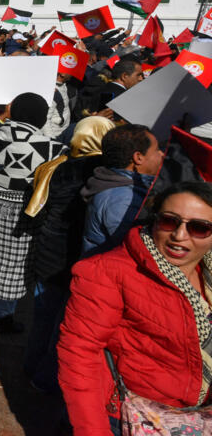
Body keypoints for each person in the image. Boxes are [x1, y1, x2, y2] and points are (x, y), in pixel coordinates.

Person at [59, 182, 212, 435]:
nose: (179, 235)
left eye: (199, 228)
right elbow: (79, 356)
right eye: (169, 221)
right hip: (133, 418)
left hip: (195, 419)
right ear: (154, 220)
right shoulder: (107, 271)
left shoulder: (205, 271)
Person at [23, 116, 116, 392]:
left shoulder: (56, 164)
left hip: (48, 254)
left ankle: (31, 368)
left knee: (42, 319)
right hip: (75, 260)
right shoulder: (101, 176)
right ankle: (48, 378)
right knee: (63, 326)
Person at [0, 93, 66, 333]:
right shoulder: (53, 148)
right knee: (15, 264)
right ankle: (2, 317)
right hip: (23, 214)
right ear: (42, 117)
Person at [81, 124, 164, 255]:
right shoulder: (122, 199)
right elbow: (138, 247)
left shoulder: (121, 187)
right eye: (157, 150)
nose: (162, 154)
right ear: (138, 157)